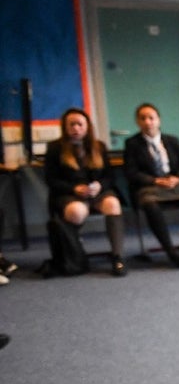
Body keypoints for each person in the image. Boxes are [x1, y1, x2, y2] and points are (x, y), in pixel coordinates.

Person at [43, 107, 127, 276]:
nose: (76, 128)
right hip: (69, 193)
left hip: (97, 192)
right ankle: (75, 255)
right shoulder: (55, 148)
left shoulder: (99, 146)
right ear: (65, 127)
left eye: (80, 124)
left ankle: (117, 257)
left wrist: (99, 186)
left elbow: (109, 176)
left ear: (87, 126)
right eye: (72, 124)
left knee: (112, 204)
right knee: (77, 211)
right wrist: (74, 189)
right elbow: (51, 180)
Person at [123, 103, 179, 267]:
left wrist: (177, 178)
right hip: (150, 187)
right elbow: (131, 173)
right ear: (138, 122)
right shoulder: (132, 144)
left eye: (151, 118)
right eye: (143, 118)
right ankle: (170, 250)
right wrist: (154, 181)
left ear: (159, 120)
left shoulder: (172, 141)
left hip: (176, 185)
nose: (148, 122)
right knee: (150, 205)